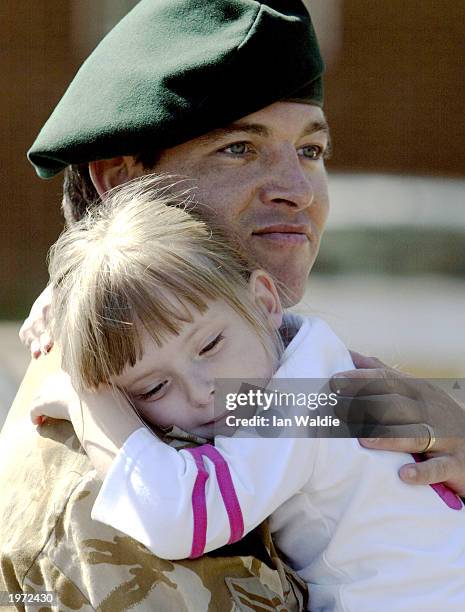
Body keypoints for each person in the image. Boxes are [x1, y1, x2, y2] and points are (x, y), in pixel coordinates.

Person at [1, 0, 464, 609]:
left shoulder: (226, 375)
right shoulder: (117, 467)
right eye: (239, 148)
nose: (298, 191)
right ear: (118, 181)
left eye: (311, 151)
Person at [33, 176, 465, 612]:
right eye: (155, 387)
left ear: (264, 301)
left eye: (210, 346)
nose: (202, 392)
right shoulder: (310, 356)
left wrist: (88, 402)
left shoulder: (292, 405)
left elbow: (177, 515)